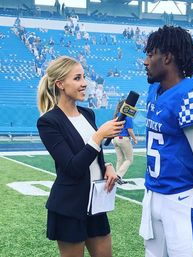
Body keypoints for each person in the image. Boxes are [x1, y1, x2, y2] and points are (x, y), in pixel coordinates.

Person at [139, 26, 193, 257]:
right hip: (153, 193)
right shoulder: (155, 90)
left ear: (167, 58)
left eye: (151, 54)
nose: (146, 61)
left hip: (181, 198)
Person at [37, 56, 125, 257]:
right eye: (77, 78)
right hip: (69, 208)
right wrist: (99, 136)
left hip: (96, 204)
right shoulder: (48, 122)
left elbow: (93, 156)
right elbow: (73, 167)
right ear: (60, 84)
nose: (84, 83)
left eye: (84, 77)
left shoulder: (88, 114)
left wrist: (108, 166)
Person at [112, 100, 138, 184]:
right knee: (129, 160)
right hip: (123, 138)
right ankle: (118, 176)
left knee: (120, 159)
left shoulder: (117, 115)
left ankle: (116, 178)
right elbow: (129, 130)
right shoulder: (127, 116)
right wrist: (134, 139)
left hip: (116, 138)